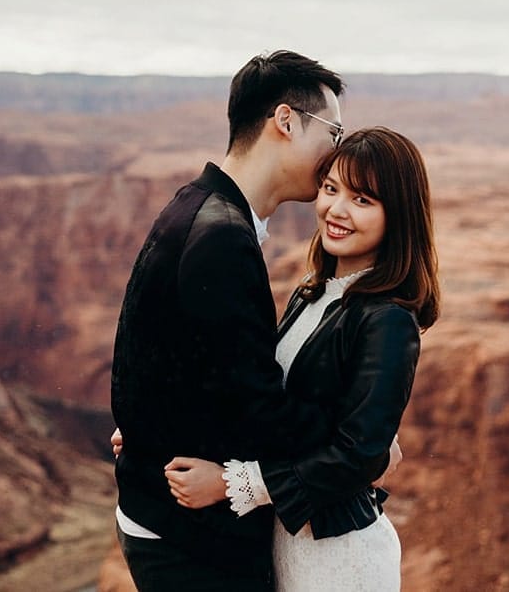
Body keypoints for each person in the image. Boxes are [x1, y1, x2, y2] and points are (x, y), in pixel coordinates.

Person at [163, 127, 441, 592]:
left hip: (340, 560)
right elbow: (257, 395)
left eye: (363, 200)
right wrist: (155, 422)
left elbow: (360, 454)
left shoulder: (387, 320)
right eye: (331, 189)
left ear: (400, 215)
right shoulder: (313, 293)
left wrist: (232, 484)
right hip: (292, 546)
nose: (337, 210)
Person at [111, 50, 346, 591]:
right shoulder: (220, 237)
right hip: (190, 542)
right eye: (333, 131)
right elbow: (258, 406)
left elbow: (161, 352)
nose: (338, 151)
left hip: (160, 516)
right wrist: (359, 444)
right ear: (286, 122)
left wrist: (149, 424)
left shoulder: (196, 205)